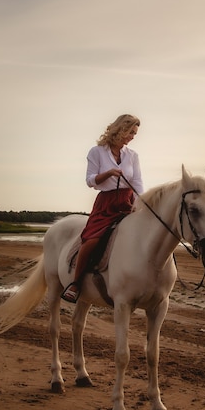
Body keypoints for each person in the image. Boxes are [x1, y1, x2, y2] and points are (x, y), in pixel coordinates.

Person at [61, 114, 143, 303]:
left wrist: (139, 204)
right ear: (120, 129)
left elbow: (138, 182)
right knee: (91, 240)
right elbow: (90, 181)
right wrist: (107, 174)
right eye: (131, 132)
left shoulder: (133, 156)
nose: (133, 136)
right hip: (106, 203)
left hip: (128, 201)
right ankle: (75, 283)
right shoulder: (96, 152)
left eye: (135, 133)